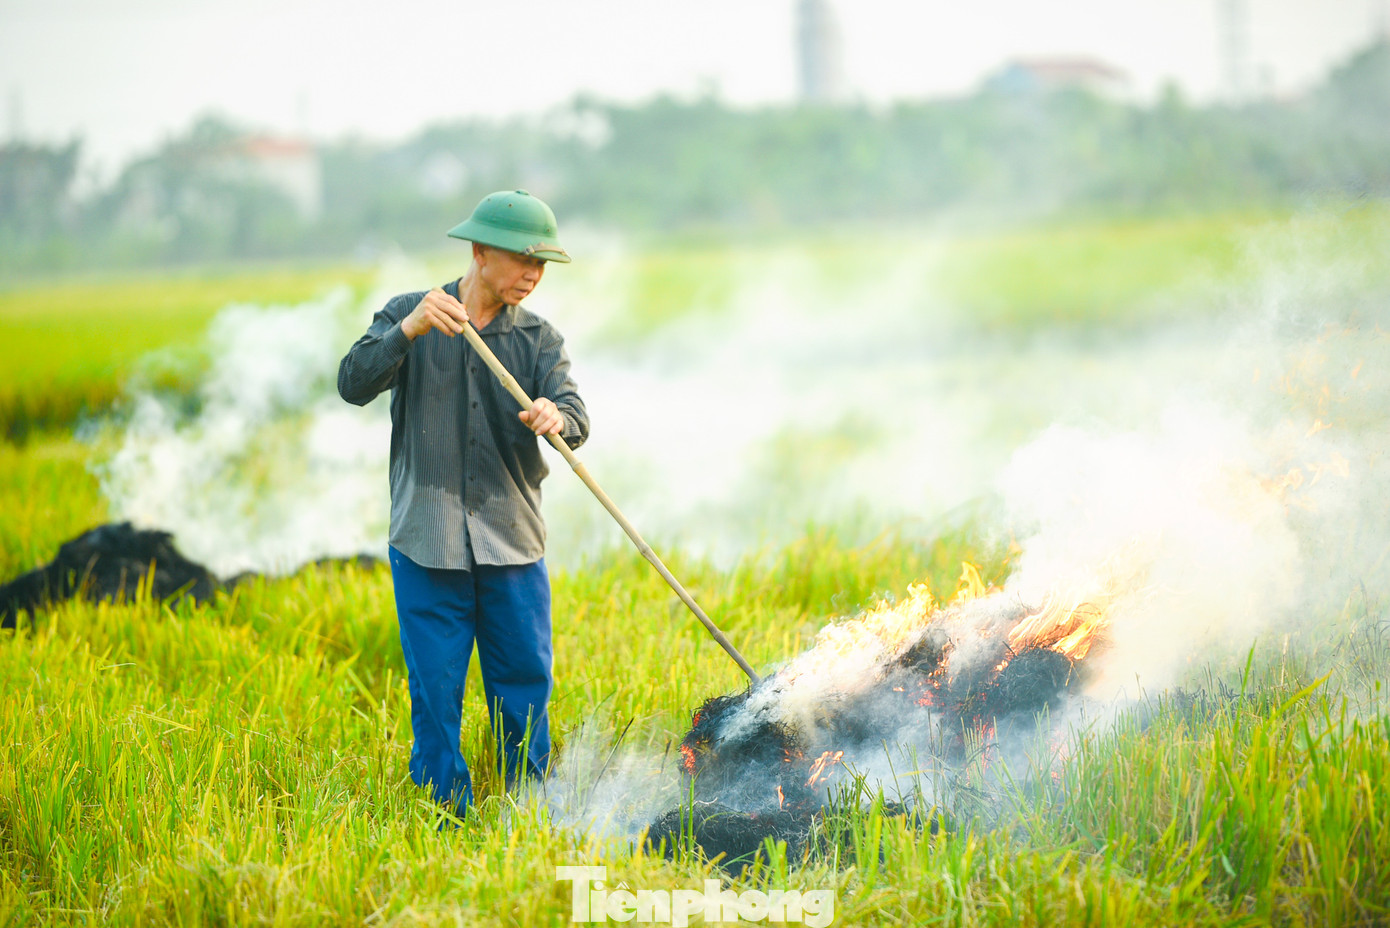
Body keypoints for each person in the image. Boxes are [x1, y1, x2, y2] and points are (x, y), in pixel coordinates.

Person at [337, 189, 589, 818]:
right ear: (479, 252)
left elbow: (577, 414)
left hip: (511, 541)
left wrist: (556, 414)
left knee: (525, 685)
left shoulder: (538, 339)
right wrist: (407, 331)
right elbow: (352, 383)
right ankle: (446, 813)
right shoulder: (411, 314)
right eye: (523, 261)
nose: (534, 276)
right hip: (428, 543)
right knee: (436, 689)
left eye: (542, 266)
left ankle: (531, 808)